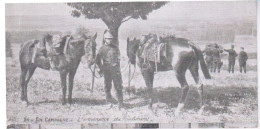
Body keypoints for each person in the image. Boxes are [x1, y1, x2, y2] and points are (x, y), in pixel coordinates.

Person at [96, 29, 124, 108]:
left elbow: (119, 59)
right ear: (105, 39)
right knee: (107, 86)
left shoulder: (116, 48)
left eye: (111, 39)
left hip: (115, 70)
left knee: (118, 86)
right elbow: (97, 60)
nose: (110, 40)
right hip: (107, 70)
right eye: (108, 39)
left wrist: (118, 68)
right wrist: (101, 69)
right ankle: (109, 102)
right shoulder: (102, 48)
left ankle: (121, 103)